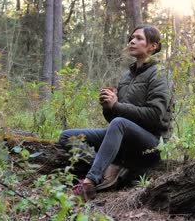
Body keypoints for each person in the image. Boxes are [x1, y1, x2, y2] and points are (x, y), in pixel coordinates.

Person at [57, 25, 173, 201]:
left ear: (153, 46)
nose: (132, 41)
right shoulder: (127, 76)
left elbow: (155, 116)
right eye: (131, 37)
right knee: (67, 136)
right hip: (124, 136)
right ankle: (110, 167)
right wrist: (108, 106)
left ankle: (89, 183)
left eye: (139, 38)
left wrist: (117, 106)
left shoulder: (159, 74)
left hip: (153, 143)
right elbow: (114, 119)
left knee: (119, 123)